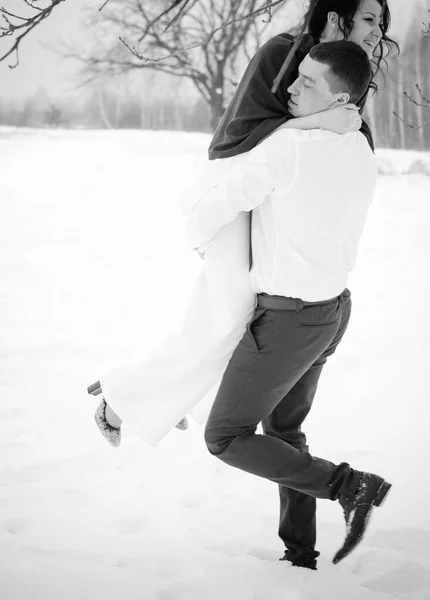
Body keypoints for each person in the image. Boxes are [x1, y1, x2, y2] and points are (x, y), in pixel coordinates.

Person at [88, 0, 398, 448]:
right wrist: (313, 126)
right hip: (234, 187)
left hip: (266, 197)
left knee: (220, 319)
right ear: (336, 16)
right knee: (229, 319)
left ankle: (149, 396)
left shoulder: (346, 72)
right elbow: (245, 131)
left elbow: (335, 138)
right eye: (369, 18)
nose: (376, 31)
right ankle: (126, 399)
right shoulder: (283, 53)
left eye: (381, 23)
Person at [188, 40, 390, 568]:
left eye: (308, 83)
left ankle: (348, 486)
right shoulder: (362, 149)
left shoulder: (289, 149)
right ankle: (300, 553)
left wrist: (199, 236)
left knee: (226, 435)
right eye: (295, 76)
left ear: (340, 97)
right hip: (332, 313)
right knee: (284, 432)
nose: (290, 88)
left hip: (287, 321)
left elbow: (211, 206)